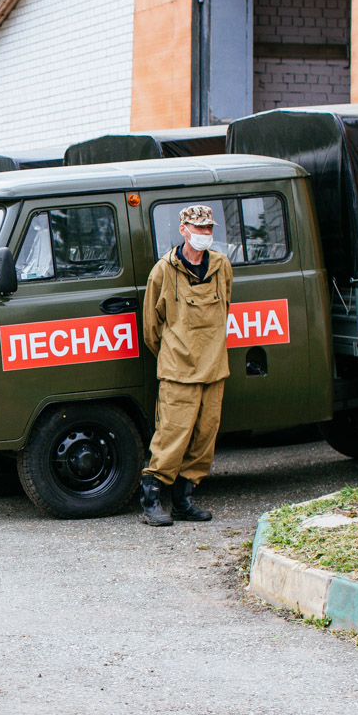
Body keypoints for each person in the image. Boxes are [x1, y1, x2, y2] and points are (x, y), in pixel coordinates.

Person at [139, 204, 233, 526]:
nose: (205, 234)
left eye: (209, 229)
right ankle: (151, 499)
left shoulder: (221, 265)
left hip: (214, 368)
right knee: (171, 437)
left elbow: (226, 309)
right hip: (178, 372)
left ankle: (183, 501)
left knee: (204, 438)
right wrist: (175, 355)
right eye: (198, 228)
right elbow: (152, 328)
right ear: (183, 230)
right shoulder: (163, 271)